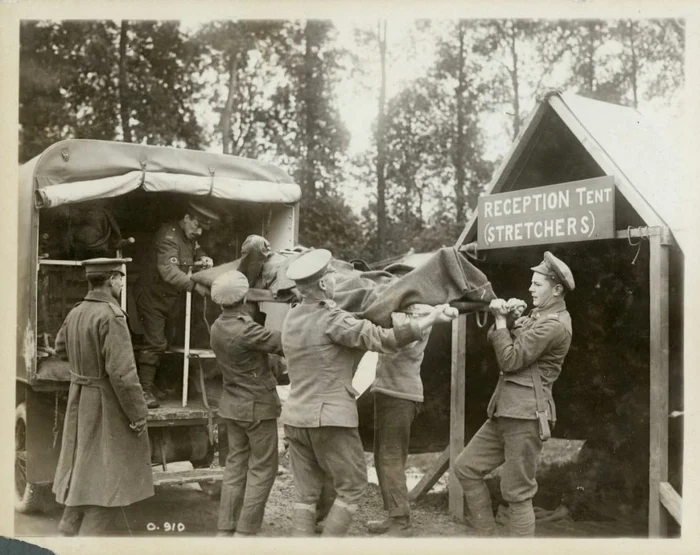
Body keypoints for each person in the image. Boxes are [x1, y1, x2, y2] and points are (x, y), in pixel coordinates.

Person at [281, 248, 458, 537]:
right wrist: (429, 320)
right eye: (331, 276)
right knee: (352, 487)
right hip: (329, 418)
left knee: (305, 496)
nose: (337, 279)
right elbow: (383, 338)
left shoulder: (292, 317)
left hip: (295, 418)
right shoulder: (333, 320)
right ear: (324, 285)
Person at [452, 251, 574, 537]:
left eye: (537, 284)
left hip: (526, 415)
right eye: (531, 283)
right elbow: (500, 341)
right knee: (466, 468)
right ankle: (490, 539)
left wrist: (502, 322)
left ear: (556, 290)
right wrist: (506, 319)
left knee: (517, 493)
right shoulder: (538, 317)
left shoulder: (554, 325)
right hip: (505, 411)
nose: (530, 288)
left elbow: (509, 359)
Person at [52, 258, 153, 536]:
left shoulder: (77, 311)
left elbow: (61, 349)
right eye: (120, 278)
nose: (122, 283)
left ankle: (68, 525)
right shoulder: (112, 315)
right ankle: (88, 541)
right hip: (105, 403)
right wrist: (138, 415)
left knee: (83, 461)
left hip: (80, 396)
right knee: (108, 475)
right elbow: (122, 373)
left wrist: (84, 367)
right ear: (111, 280)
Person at [209, 270, 284, 537]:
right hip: (257, 407)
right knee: (263, 468)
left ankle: (225, 527)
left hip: (232, 406)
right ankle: (246, 530)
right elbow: (283, 343)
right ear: (243, 299)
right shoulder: (247, 330)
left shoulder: (217, 326)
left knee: (235, 466)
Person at [135, 200, 218, 408]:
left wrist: (203, 257)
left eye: (202, 228)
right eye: (196, 225)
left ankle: (154, 385)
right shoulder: (169, 236)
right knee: (155, 343)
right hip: (152, 297)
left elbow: (195, 248)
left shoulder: (188, 235)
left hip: (171, 299)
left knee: (169, 342)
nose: (199, 231)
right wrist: (194, 286)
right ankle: (142, 391)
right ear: (187, 218)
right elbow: (169, 272)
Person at [365, 311, 431, 537]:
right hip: (386, 392)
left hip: (401, 395)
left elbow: (405, 340)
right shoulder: (402, 311)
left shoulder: (423, 312)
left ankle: (401, 522)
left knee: (391, 457)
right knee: (381, 456)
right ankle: (393, 515)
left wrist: (390, 310)